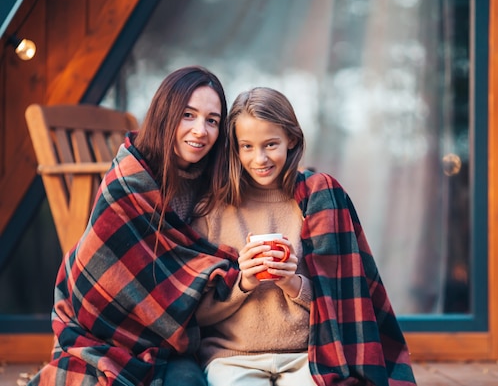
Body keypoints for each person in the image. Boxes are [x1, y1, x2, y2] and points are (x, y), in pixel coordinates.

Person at [28, 66, 240, 386]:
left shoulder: (213, 183)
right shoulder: (131, 180)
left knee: (189, 382)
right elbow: (101, 273)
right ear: (166, 114)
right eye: (188, 115)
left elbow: (186, 259)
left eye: (212, 120)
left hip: (174, 336)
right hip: (103, 330)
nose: (201, 130)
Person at [193, 87, 417, 385]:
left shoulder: (317, 199)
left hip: (308, 356)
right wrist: (244, 282)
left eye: (271, 144)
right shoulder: (211, 210)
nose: (259, 158)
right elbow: (197, 315)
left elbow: (343, 304)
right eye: (246, 146)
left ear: (292, 140)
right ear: (234, 148)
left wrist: (292, 282)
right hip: (231, 357)